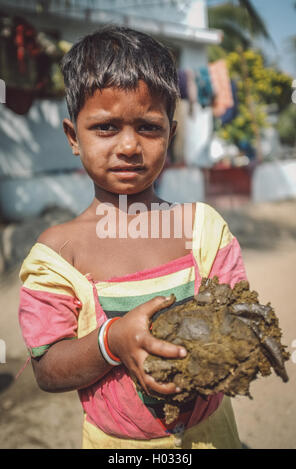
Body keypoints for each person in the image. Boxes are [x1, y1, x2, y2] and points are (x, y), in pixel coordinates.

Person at [18, 25, 247, 449]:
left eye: (148, 127)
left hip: (213, 436)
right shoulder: (59, 254)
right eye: (105, 128)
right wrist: (112, 340)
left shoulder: (203, 230)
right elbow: (47, 369)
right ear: (73, 137)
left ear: (170, 136)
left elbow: (240, 320)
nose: (128, 146)